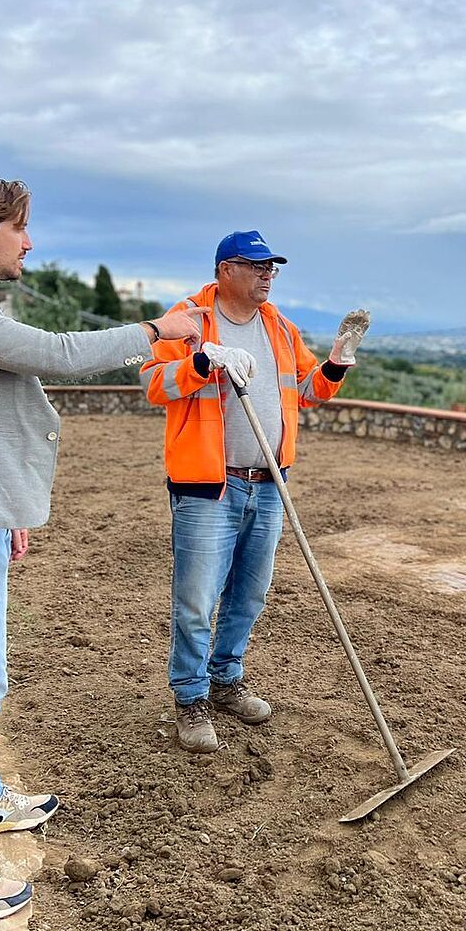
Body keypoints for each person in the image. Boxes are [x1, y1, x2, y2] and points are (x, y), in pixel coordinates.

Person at [0, 172, 207, 923]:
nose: (29, 242)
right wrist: (156, 332)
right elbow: (57, 352)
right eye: (20, 228)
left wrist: (5, 508)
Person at [140, 230, 369, 754]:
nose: (269, 274)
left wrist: (337, 360)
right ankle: (191, 698)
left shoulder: (278, 328)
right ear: (226, 270)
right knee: (197, 601)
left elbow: (310, 392)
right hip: (208, 488)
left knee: (249, 594)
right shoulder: (191, 319)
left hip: (269, 485)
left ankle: (226, 680)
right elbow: (154, 384)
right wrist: (203, 363)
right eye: (258, 265)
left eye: (273, 267)